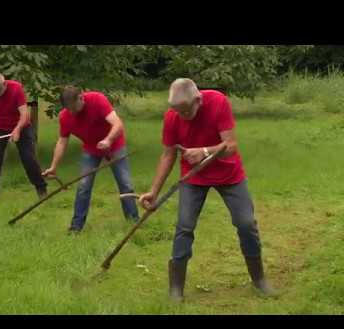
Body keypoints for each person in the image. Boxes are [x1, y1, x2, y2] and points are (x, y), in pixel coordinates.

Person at [139, 78, 275, 300]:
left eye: (184, 111)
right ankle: (176, 289)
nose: (180, 116)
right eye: (176, 111)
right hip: (194, 178)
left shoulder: (218, 102)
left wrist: (203, 152)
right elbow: (168, 155)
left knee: (246, 223)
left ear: (198, 100)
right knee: (184, 227)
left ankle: (259, 280)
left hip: (228, 173)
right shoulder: (172, 116)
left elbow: (230, 147)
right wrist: (154, 191)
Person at [42, 86, 139, 233]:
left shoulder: (97, 99)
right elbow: (62, 142)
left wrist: (108, 140)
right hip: (91, 149)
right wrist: (53, 167)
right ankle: (76, 227)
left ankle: (133, 222)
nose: (73, 112)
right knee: (83, 186)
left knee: (125, 183)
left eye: (74, 108)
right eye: (69, 109)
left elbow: (118, 124)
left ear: (81, 97)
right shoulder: (65, 117)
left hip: (114, 145)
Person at [0, 72, 47, 201]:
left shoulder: (16, 88)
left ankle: (41, 188)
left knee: (28, 159)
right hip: (0, 128)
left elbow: (24, 115)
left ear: (4, 84)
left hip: (22, 127)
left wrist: (17, 130)